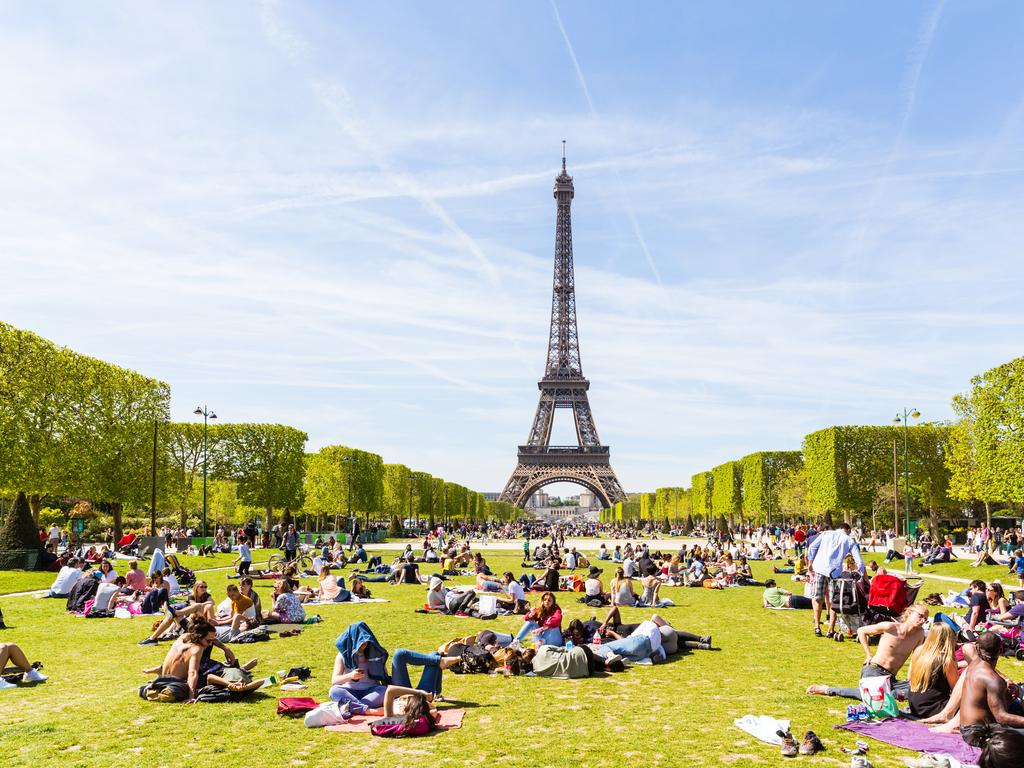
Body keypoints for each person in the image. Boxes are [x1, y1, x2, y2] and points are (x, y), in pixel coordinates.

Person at [806, 604, 929, 700]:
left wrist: (909, 679)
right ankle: (827, 689)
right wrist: (868, 654)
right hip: (874, 670)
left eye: (926, 618)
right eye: (921, 616)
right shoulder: (890, 627)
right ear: (910, 613)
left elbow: (915, 658)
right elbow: (861, 631)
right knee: (872, 696)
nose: (923, 620)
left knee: (917, 692)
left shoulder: (919, 634)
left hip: (891, 678)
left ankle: (889, 692)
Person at [956, 632, 1024, 747]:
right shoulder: (992, 679)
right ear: (1001, 649)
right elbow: (1001, 717)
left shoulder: (974, 663)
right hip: (978, 734)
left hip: (967, 729)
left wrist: (1005, 694)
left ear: (978, 648)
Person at [806, 522, 865, 638]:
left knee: (817, 598)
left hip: (819, 568)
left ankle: (817, 627)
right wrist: (861, 573)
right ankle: (830, 629)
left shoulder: (825, 534)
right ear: (847, 530)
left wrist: (810, 563)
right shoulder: (849, 540)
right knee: (834, 601)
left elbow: (812, 547)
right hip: (835, 573)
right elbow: (859, 561)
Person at [907, 623, 959, 719]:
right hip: (933, 707)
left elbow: (909, 677)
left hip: (915, 706)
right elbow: (956, 689)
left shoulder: (918, 651)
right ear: (949, 638)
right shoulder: (946, 660)